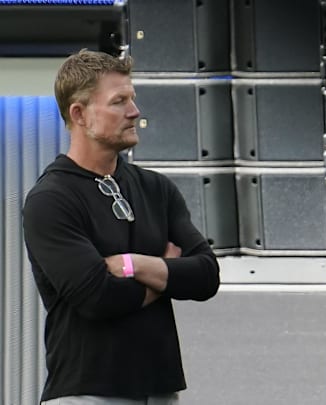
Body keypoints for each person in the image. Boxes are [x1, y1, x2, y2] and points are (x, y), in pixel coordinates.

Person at [22, 49, 220, 404]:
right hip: (87, 393)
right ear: (79, 114)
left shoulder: (156, 188)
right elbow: (97, 297)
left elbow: (206, 275)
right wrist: (167, 270)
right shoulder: (50, 199)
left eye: (133, 99)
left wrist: (132, 264)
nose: (134, 111)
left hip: (160, 390)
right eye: (119, 101)